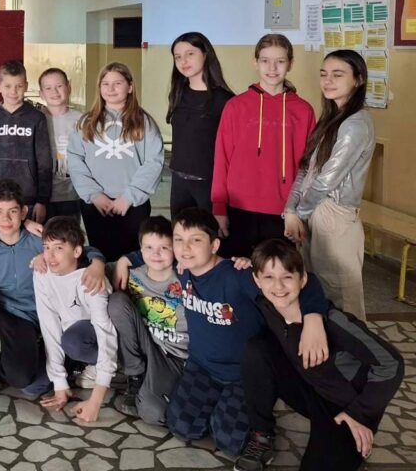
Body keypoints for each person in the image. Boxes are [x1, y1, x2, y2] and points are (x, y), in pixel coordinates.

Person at [113, 208, 330, 458]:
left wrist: (313, 319)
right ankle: (219, 407)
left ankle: (259, 425)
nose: (185, 248)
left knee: (229, 441)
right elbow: (151, 253)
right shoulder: (182, 270)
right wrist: (125, 260)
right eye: (179, 240)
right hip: (202, 368)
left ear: (214, 245)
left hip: (241, 375)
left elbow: (306, 281)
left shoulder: (239, 275)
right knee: (182, 426)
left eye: (196, 240)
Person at [236, 239, 403, 471]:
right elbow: (226, 269)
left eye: (287, 277)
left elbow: (392, 363)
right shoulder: (266, 301)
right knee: (256, 350)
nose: (278, 286)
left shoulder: (335, 323)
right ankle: (261, 435)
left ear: (302, 279)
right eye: (269, 277)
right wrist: (239, 261)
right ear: (257, 280)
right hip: (308, 387)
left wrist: (361, 413)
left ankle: (350, 441)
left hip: (342, 405)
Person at [0, 178, 106, 397]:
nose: (6, 219)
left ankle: (18, 355)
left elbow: (79, 248)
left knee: (20, 378)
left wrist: (98, 261)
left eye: (13, 211)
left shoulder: (39, 240)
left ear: (24, 211)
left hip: (25, 316)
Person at [283, 50, 375, 319]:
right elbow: (305, 170)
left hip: (335, 217)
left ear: (358, 80)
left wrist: (299, 213)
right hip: (313, 210)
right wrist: (290, 210)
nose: (328, 81)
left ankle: (354, 348)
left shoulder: (356, 124)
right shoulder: (331, 118)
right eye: (324, 74)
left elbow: (326, 180)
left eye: (338, 74)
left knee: (343, 301)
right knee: (316, 292)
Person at [211, 34, 315, 257]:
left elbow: (308, 167)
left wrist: (298, 210)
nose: (272, 68)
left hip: (283, 211)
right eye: (265, 60)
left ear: (290, 64)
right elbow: (222, 158)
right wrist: (219, 207)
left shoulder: (303, 110)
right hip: (238, 208)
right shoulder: (235, 106)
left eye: (280, 61)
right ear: (255, 63)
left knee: (277, 273)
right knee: (237, 272)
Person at [67, 62, 164, 261]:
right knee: (101, 258)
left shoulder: (144, 122)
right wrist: (94, 194)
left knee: (132, 259)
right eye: (105, 84)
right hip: (96, 204)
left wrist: (129, 196)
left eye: (117, 83)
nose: (111, 88)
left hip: (133, 203)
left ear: (130, 87)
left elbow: (154, 162)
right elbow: (75, 160)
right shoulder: (86, 122)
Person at [34, 216, 118, 425]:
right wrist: (60, 383)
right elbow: (49, 325)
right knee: (34, 386)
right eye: (46, 247)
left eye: (59, 248)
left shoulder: (91, 278)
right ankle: (82, 369)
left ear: (77, 251)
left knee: (73, 340)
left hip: (91, 339)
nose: (50, 256)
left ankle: (112, 370)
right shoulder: (42, 272)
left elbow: (105, 332)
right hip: (69, 339)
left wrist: (96, 400)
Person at [107, 216, 187, 424]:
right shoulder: (132, 273)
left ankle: (162, 385)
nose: (156, 254)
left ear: (175, 249)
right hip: (147, 346)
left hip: (177, 356)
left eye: (164, 248)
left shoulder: (186, 275)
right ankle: (136, 376)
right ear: (140, 249)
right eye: (149, 247)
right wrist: (112, 261)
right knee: (116, 302)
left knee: (156, 414)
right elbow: (88, 260)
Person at [166, 32, 234, 214]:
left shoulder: (225, 101)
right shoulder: (178, 94)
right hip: (179, 183)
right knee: (179, 231)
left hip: (209, 184)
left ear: (205, 54)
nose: (183, 61)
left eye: (190, 54)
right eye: (178, 57)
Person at [0, 60, 52, 221]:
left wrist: (42, 200)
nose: (13, 91)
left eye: (19, 86)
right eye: (8, 86)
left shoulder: (36, 117)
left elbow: (44, 163)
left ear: (26, 86)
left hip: (29, 198)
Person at [38, 68, 82, 222]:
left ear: (69, 87)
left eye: (59, 86)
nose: (54, 92)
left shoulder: (81, 120)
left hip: (72, 195)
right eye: (48, 88)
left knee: (69, 234)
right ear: (41, 94)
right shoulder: (35, 119)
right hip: (41, 197)